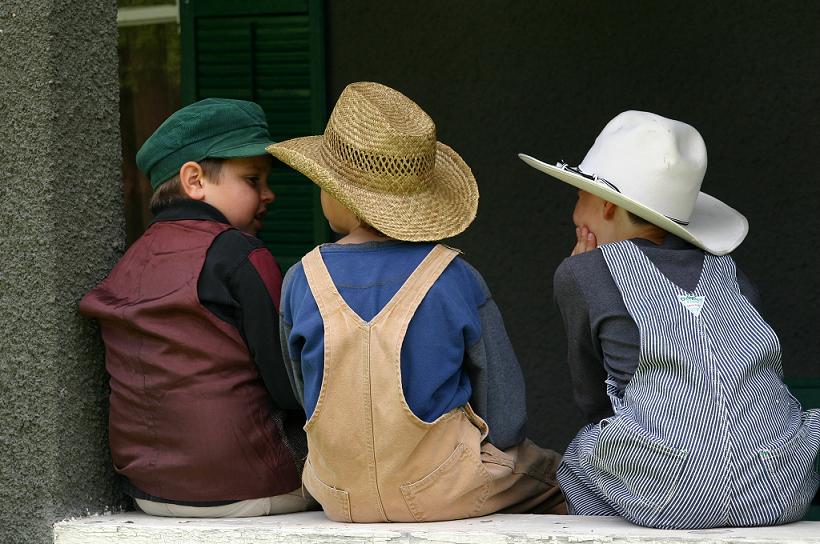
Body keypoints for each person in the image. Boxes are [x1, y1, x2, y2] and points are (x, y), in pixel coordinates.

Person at [267, 81, 566, 523]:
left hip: (335, 492)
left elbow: (307, 396)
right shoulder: (455, 277)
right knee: (560, 475)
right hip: (443, 490)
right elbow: (507, 418)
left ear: (339, 195)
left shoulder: (300, 279)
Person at [519, 110, 820, 529]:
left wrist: (579, 279)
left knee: (579, 461)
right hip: (779, 489)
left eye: (579, 195)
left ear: (606, 205)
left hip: (668, 496)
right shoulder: (729, 272)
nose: (575, 212)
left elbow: (593, 400)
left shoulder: (581, 272)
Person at [80, 98, 312, 518]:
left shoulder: (129, 262)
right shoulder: (240, 255)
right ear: (195, 180)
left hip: (148, 492)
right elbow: (288, 385)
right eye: (253, 179)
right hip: (248, 485)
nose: (269, 194)